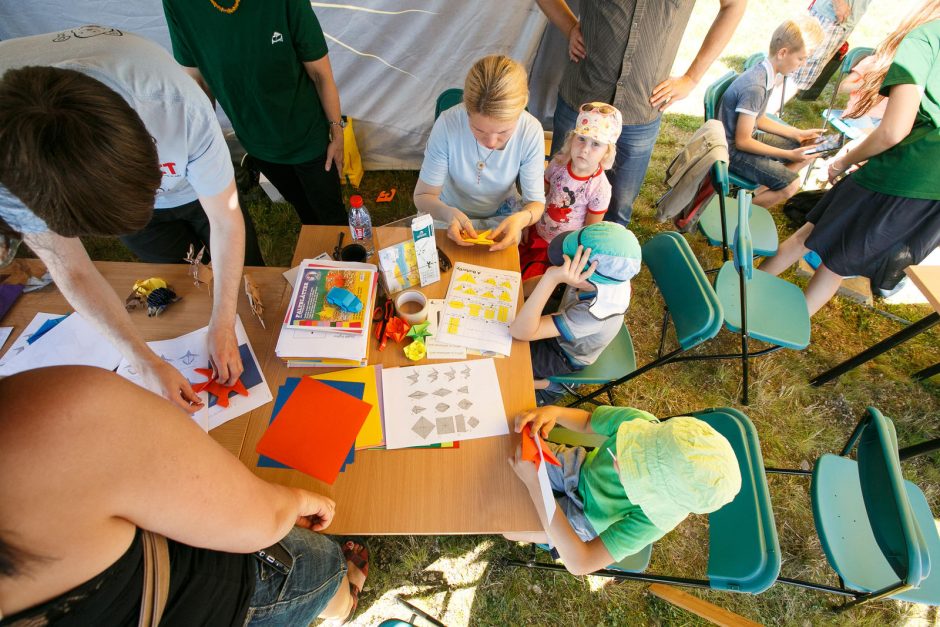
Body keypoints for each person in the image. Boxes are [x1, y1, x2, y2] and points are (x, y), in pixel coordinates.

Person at [0, 26, 264, 412]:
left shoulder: (178, 106)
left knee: (245, 277)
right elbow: (71, 271)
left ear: (150, 145)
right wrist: (145, 362)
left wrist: (224, 322)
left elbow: (224, 220)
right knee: (177, 284)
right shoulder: (13, 167)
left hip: (192, 182)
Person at [0, 366, 368, 625]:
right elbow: (262, 519)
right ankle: (342, 604)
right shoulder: (52, 414)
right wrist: (300, 501)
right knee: (326, 561)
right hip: (221, 599)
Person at [760, 3, 940, 316]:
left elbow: (893, 131)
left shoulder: (926, 38)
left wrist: (843, 162)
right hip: (931, 198)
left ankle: (741, 296)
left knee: (808, 236)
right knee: (837, 264)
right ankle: (782, 334)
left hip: (901, 175)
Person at [535, 0, 747, 225]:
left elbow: (734, 5)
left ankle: (600, 258)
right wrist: (569, 27)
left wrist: (692, 77)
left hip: (639, 110)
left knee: (617, 211)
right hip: (582, 98)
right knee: (557, 194)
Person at [162, 0, 347, 227]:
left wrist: (337, 131)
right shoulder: (178, 5)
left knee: (331, 214)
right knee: (301, 206)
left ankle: (346, 256)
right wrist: (202, 151)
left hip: (309, 135)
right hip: (257, 143)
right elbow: (197, 83)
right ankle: (318, 247)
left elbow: (320, 73)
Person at [505, 404, 741, 575]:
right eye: (633, 451)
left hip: (585, 522)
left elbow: (581, 562)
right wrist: (555, 412)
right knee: (510, 450)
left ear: (657, 498)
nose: (619, 462)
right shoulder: (641, 423)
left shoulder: (654, 520)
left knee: (507, 524)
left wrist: (537, 488)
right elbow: (588, 421)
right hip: (579, 469)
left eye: (634, 473)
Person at [414, 55, 547, 252]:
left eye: (503, 132)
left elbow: (535, 203)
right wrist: (449, 214)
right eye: (478, 130)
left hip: (502, 216)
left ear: (520, 112)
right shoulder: (448, 124)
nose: (491, 142)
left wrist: (522, 219)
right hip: (445, 212)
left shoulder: (531, 130)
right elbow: (423, 196)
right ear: (466, 109)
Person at [510, 222, 641, 406]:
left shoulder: (593, 312)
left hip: (564, 353)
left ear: (586, 274)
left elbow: (519, 331)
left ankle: (557, 386)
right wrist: (513, 293)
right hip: (566, 315)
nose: (561, 266)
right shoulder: (603, 276)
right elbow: (526, 289)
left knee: (508, 361)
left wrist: (551, 277)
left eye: (566, 264)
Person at [719, 19, 826, 208]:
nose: (803, 64)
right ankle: (736, 213)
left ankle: (756, 193)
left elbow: (758, 118)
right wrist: (789, 154)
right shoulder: (756, 86)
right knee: (792, 185)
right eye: (801, 58)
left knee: (808, 149)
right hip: (731, 151)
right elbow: (743, 142)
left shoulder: (766, 72)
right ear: (783, 53)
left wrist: (797, 134)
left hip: (743, 141)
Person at [519, 102, 621, 287]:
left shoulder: (600, 188)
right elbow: (538, 196)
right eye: (581, 138)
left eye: (596, 144)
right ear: (571, 139)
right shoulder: (558, 164)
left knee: (530, 285)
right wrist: (525, 223)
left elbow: (590, 232)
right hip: (536, 233)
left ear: (607, 152)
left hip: (562, 249)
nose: (585, 149)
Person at [792, 0, 874, 93]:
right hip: (831, 16)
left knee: (801, 77)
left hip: (843, 22)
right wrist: (839, 3)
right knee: (795, 74)